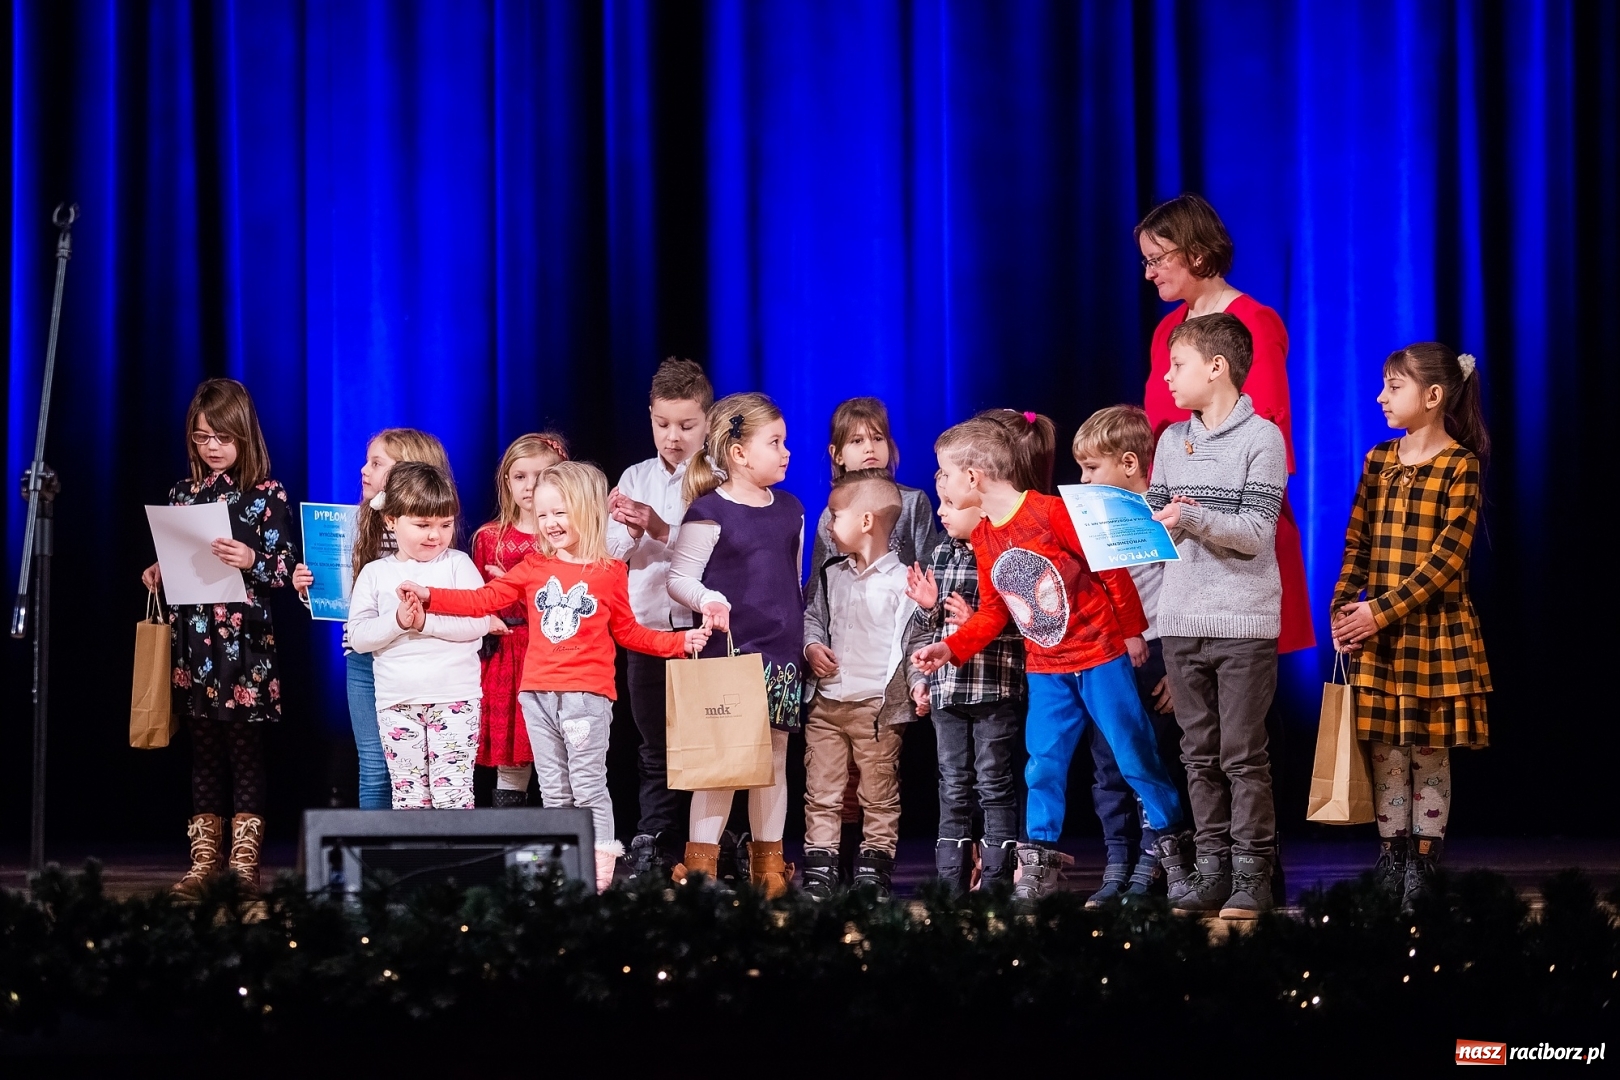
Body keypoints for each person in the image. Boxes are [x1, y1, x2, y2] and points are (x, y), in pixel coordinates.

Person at [911, 417, 1187, 908]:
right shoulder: (985, 536)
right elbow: (997, 609)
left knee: (1134, 754)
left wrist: (1132, 632)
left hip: (1099, 655)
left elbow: (1111, 570)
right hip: (1047, 666)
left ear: (973, 476)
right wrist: (949, 648)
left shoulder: (1051, 513)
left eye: (946, 474)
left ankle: (1174, 854)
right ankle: (1037, 866)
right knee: (1043, 764)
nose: (945, 484)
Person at [403, 461, 709, 891]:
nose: (550, 523)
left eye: (560, 512)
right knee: (553, 788)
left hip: (585, 697)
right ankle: (566, 867)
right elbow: (485, 599)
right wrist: (430, 595)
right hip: (537, 697)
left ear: (585, 509)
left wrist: (679, 643)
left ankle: (599, 866)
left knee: (586, 785)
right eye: (543, 514)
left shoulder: (608, 572)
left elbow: (629, 632)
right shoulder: (532, 567)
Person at [1331, 343, 1491, 909]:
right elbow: (1358, 540)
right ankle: (1391, 855)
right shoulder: (1378, 459)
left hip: (1434, 633)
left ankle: (1424, 862)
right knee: (1385, 750)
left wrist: (1379, 610)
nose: (1381, 396)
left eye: (1393, 386)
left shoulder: (1460, 466)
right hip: (1380, 636)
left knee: (1427, 749)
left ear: (1432, 396)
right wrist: (1344, 608)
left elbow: (1446, 561)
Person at [1147, 313, 1287, 919]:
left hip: (1242, 623)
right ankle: (1212, 871)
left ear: (1216, 367)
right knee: (1197, 754)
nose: (1168, 378)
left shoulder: (1263, 439)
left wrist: (1191, 518)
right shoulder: (1169, 442)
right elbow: (1157, 524)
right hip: (1182, 621)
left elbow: (1256, 534)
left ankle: (1252, 876)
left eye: (1177, 365)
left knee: (1241, 754)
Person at [1136, 193, 1314, 655]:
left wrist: (1199, 508)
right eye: (1146, 261)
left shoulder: (1253, 322)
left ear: (1195, 253)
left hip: (1234, 542)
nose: (1149, 273)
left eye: (1157, 259)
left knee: (1246, 711)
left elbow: (1267, 431)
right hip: (1177, 540)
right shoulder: (1165, 332)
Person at [142, 378, 298, 899]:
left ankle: (244, 862)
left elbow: (286, 570)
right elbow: (182, 556)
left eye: (223, 437)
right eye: (202, 436)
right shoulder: (183, 495)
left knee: (245, 749)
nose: (212, 447)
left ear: (245, 436)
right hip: (196, 644)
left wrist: (252, 560)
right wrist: (160, 569)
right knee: (203, 751)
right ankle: (203, 861)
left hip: (245, 645)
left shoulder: (266, 495)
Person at [666, 392, 805, 899]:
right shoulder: (709, 510)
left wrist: (804, 640)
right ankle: (700, 871)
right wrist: (709, 598)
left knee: (774, 759)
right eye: (775, 442)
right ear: (740, 453)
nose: (787, 451)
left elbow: (793, 583)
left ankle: (769, 870)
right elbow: (679, 577)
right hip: (730, 652)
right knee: (722, 763)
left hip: (782, 654)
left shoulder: (791, 509)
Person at [803, 397, 941, 867]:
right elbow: (820, 591)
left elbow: (927, 571)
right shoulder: (831, 515)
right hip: (840, 673)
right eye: (857, 441)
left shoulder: (912, 503)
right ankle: (832, 863)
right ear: (836, 453)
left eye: (877, 438)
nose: (869, 449)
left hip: (888, 669)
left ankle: (873, 864)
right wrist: (814, 643)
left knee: (878, 776)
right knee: (831, 779)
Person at [292, 428, 451, 809]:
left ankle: (420, 852)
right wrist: (313, 589)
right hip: (364, 662)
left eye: (377, 463)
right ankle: (376, 861)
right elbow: (354, 603)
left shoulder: (433, 535)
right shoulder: (360, 523)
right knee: (375, 765)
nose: (364, 469)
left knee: (421, 768)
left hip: (415, 660)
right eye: (367, 461)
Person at [1072, 405, 1188, 905]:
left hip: (1159, 652)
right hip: (1107, 656)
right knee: (1109, 764)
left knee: (1153, 762)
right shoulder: (1090, 520)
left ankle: (1153, 861)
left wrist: (1180, 673)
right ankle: (1118, 861)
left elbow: (1184, 594)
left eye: (1091, 469)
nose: (1083, 480)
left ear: (1128, 463)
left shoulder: (1163, 515)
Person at [606, 357, 714, 875]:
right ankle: (654, 838)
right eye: (662, 424)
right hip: (647, 629)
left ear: (708, 422)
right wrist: (628, 529)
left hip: (703, 630)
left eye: (687, 425)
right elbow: (610, 552)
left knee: (707, 741)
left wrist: (659, 526)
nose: (673, 437)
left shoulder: (718, 477)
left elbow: (724, 551)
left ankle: (710, 844)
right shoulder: (635, 476)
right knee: (655, 744)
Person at [799, 470, 921, 900]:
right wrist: (812, 646)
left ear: (866, 521)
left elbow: (916, 642)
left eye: (835, 516)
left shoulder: (905, 581)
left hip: (876, 710)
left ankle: (873, 870)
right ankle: (820, 870)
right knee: (822, 792)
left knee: (879, 792)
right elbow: (812, 616)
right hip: (828, 704)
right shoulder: (832, 573)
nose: (829, 526)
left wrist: (919, 685)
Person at [904, 474, 1026, 895]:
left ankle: (995, 880)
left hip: (994, 686)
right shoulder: (941, 553)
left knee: (993, 781)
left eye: (951, 504)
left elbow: (1028, 625)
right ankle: (951, 883)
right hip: (949, 690)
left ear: (981, 507)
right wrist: (926, 611)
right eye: (941, 503)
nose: (942, 512)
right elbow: (928, 628)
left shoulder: (1007, 555)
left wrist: (977, 622)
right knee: (952, 783)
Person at [348, 463, 490, 812]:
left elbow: (479, 622)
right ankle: (416, 865)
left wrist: (426, 622)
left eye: (444, 525)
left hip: (454, 700)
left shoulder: (458, 564)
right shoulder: (376, 573)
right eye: (423, 525)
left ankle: (455, 866)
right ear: (391, 520)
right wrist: (398, 620)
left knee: (454, 796)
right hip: (397, 704)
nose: (434, 535)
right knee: (409, 799)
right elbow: (359, 636)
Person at [472, 432, 569, 807]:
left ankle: (561, 845)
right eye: (520, 476)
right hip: (505, 657)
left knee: (557, 756)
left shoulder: (567, 538)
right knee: (513, 755)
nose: (530, 486)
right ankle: (510, 846)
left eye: (541, 475)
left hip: (555, 654)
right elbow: (476, 603)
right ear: (506, 482)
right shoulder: (489, 538)